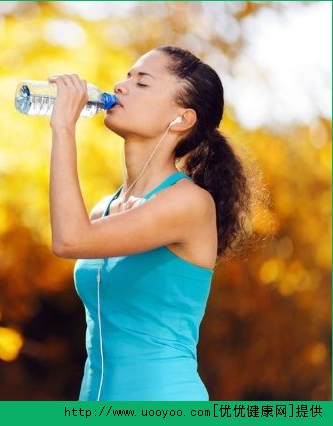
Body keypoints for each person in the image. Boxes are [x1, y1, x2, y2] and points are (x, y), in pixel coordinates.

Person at [48, 45, 253, 400]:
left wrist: (64, 128)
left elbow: (69, 240)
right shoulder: (103, 210)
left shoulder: (188, 203)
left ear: (181, 119)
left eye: (142, 82)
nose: (121, 86)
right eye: (126, 77)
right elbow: (74, 234)